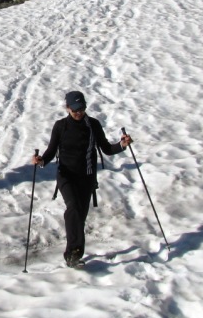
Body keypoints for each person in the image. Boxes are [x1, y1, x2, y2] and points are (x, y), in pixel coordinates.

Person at [32, 91, 132, 267]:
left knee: (80, 216)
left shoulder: (92, 125)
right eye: (75, 109)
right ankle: (73, 254)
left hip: (87, 178)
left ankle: (75, 253)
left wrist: (122, 145)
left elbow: (107, 148)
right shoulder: (61, 126)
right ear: (68, 108)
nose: (79, 112)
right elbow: (50, 151)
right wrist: (41, 161)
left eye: (82, 108)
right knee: (74, 209)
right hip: (66, 176)